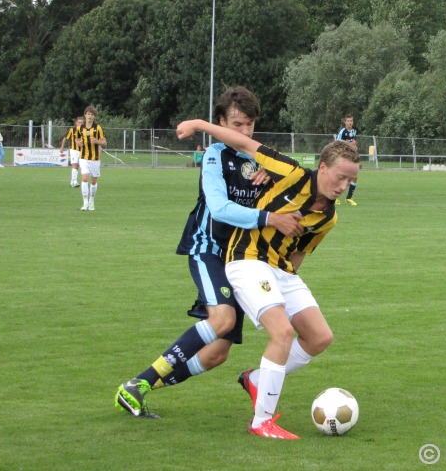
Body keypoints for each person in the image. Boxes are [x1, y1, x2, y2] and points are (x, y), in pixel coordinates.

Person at [115, 87, 304, 419]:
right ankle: (138, 385)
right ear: (221, 122)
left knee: (217, 353)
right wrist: (268, 217)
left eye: (248, 125)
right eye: (236, 124)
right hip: (208, 249)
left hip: (242, 259)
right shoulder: (215, 156)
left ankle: (138, 387)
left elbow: (292, 193)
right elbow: (218, 208)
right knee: (223, 319)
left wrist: (272, 184)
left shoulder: (261, 161)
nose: (243, 132)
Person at [176, 117, 360, 440]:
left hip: (280, 269)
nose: (343, 186)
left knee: (319, 337)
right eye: (340, 177)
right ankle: (262, 421)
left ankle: (258, 379)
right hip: (245, 259)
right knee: (283, 333)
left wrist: (284, 284)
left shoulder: (329, 217)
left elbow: (301, 252)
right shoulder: (290, 172)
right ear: (322, 167)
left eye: (350, 181)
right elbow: (244, 144)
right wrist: (198, 124)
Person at [77, 106, 106, 211]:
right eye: (88, 114)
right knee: (84, 178)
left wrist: (97, 142)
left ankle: (91, 201)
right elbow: (77, 140)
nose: (89, 116)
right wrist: (78, 143)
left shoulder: (98, 128)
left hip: (95, 158)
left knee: (93, 181)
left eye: (92, 114)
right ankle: (85, 203)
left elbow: (104, 143)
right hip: (83, 157)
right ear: (85, 115)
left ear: (94, 116)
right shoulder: (80, 128)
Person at [336, 114, 359, 205]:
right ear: (345, 122)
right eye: (348, 121)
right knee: (341, 176)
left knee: (355, 176)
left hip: (352, 156)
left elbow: (354, 141)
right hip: (343, 156)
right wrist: (349, 144)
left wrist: (354, 145)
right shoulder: (343, 131)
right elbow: (338, 142)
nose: (350, 122)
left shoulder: (354, 131)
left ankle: (349, 198)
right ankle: (335, 197)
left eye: (351, 120)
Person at [60, 116, 84, 188]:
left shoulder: (84, 131)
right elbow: (65, 138)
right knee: (74, 164)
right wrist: (62, 147)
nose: (80, 123)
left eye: (81, 122)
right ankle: (74, 182)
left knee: (78, 166)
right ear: (76, 123)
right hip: (73, 150)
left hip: (82, 150)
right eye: (79, 122)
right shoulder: (72, 130)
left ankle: (72, 181)